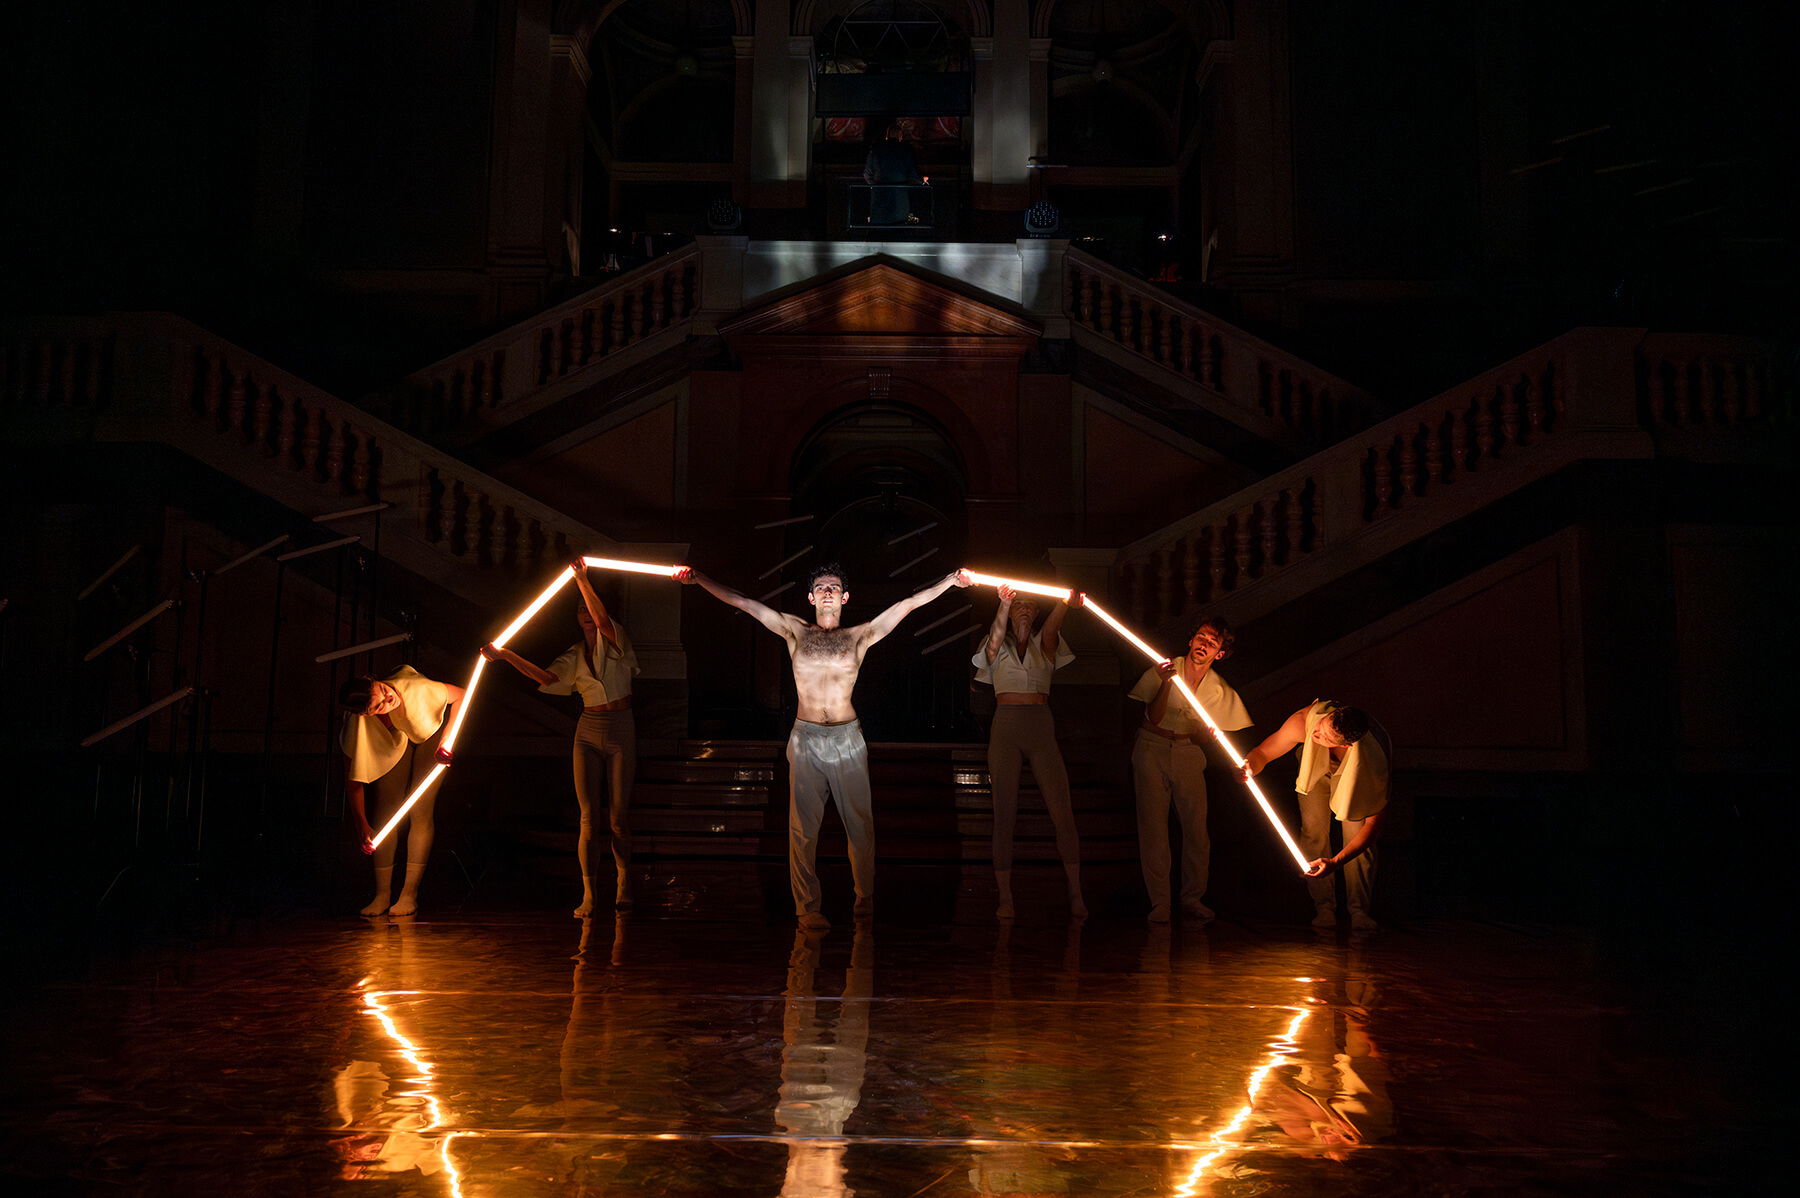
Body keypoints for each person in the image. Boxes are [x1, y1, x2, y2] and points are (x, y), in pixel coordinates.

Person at [678, 562, 971, 929]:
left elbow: (909, 604)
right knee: (802, 827)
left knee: (860, 823)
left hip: (847, 738)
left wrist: (950, 581)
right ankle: (807, 908)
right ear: (811, 596)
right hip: (806, 737)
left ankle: (864, 894)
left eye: (834, 586)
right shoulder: (794, 630)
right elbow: (746, 603)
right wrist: (699, 578)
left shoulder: (859, 635)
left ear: (845, 597)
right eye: (821, 586)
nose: (828, 590)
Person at [481, 557, 640, 917]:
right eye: (580, 609)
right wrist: (505, 655)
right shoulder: (572, 655)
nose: (586, 614)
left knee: (617, 817)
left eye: (590, 607)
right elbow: (547, 680)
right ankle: (588, 893)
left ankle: (624, 881)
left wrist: (582, 579)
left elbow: (601, 621)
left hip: (620, 728)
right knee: (588, 818)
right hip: (588, 729)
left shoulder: (616, 639)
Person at [973, 585, 1086, 920]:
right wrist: (1003, 605)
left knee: (1061, 810)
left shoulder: (1045, 644)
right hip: (1005, 726)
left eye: (1029, 605)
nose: (1023, 610)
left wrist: (1065, 601)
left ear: (1036, 611)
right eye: (1018, 605)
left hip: (1040, 725)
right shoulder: (995, 643)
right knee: (1003, 812)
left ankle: (1076, 893)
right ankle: (1005, 898)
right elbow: (994, 641)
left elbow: (1052, 628)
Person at [1127, 617, 1251, 924]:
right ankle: (1160, 903)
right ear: (1191, 640)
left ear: (1219, 653)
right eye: (1201, 637)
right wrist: (1167, 682)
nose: (1204, 644)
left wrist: (1204, 734)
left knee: (1196, 829)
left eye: (1212, 642)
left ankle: (1192, 897)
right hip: (1151, 747)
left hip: (1187, 753)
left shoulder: (1218, 691)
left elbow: (1205, 735)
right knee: (1153, 828)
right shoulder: (1166, 668)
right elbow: (1154, 718)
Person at [1239, 700, 1389, 931]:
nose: (1316, 732)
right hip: (1316, 770)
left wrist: (1336, 862)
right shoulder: (1304, 721)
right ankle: (1324, 907)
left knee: (1356, 836)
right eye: (1320, 726)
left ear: (1347, 746)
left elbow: (1372, 827)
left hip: (1356, 774)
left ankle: (1358, 911)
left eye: (1323, 737)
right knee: (1313, 830)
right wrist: (1250, 765)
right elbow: (1263, 753)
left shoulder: (1374, 760)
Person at [340, 665, 466, 916]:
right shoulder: (357, 725)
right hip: (392, 736)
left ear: (373, 679)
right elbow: (353, 779)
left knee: (420, 806)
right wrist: (361, 825)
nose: (388, 699)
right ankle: (382, 894)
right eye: (378, 706)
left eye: (384, 691)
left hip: (428, 727)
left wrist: (447, 738)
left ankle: (409, 894)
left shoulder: (418, 689)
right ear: (365, 714)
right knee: (387, 809)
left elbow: (462, 693)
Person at [862, 120, 922, 225]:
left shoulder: (876, 150)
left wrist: (877, 187)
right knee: (899, 229)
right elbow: (913, 174)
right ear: (900, 136)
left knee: (879, 231)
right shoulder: (906, 150)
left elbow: (867, 174)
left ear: (887, 136)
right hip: (899, 201)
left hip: (879, 201)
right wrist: (921, 180)